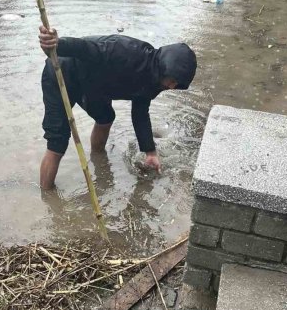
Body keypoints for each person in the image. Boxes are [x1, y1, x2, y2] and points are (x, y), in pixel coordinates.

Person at [37, 25, 197, 190]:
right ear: (165, 67)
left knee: (106, 118)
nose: (172, 86)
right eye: (172, 80)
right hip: (62, 70)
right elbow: (87, 48)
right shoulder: (127, 52)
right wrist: (58, 44)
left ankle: (98, 158)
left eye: (177, 84)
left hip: (93, 83)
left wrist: (150, 152)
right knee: (57, 141)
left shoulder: (157, 80)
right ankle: (47, 195)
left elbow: (140, 114)